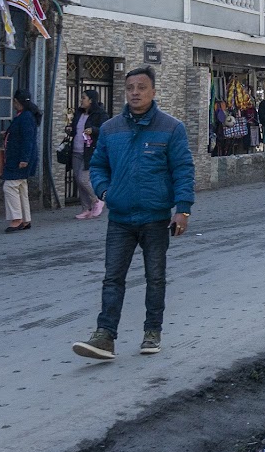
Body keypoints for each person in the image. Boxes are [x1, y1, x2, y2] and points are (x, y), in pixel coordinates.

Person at [72, 66, 195, 361]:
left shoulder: (171, 128)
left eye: (141, 87)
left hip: (155, 218)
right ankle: (104, 336)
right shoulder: (112, 129)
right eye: (130, 88)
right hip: (121, 219)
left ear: (153, 91)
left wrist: (183, 210)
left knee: (155, 277)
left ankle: (152, 331)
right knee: (112, 277)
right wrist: (104, 192)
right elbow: (99, 165)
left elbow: (183, 170)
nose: (135, 93)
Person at [2, 89, 41, 232]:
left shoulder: (25, 117)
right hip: (20, 158)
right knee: (21, 187)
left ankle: (17, 219)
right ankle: (25, 219)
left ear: (17, 102)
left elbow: (28, 140)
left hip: (19, 159)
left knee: (10, 186)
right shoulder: (25, 116)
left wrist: (24, 159)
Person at [72, 89, 108, 219]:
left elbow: (104, 130)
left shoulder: (100, 114)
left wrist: (93, 130)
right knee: (78, 180)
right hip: (76, 150)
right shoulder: (79, 113)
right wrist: (70, 129)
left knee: (84, 178)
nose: (81, 100)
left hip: (90, 151)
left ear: (91, 100)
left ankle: (97, 201)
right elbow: (75, 128)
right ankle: (85, 208)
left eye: (83, 98)